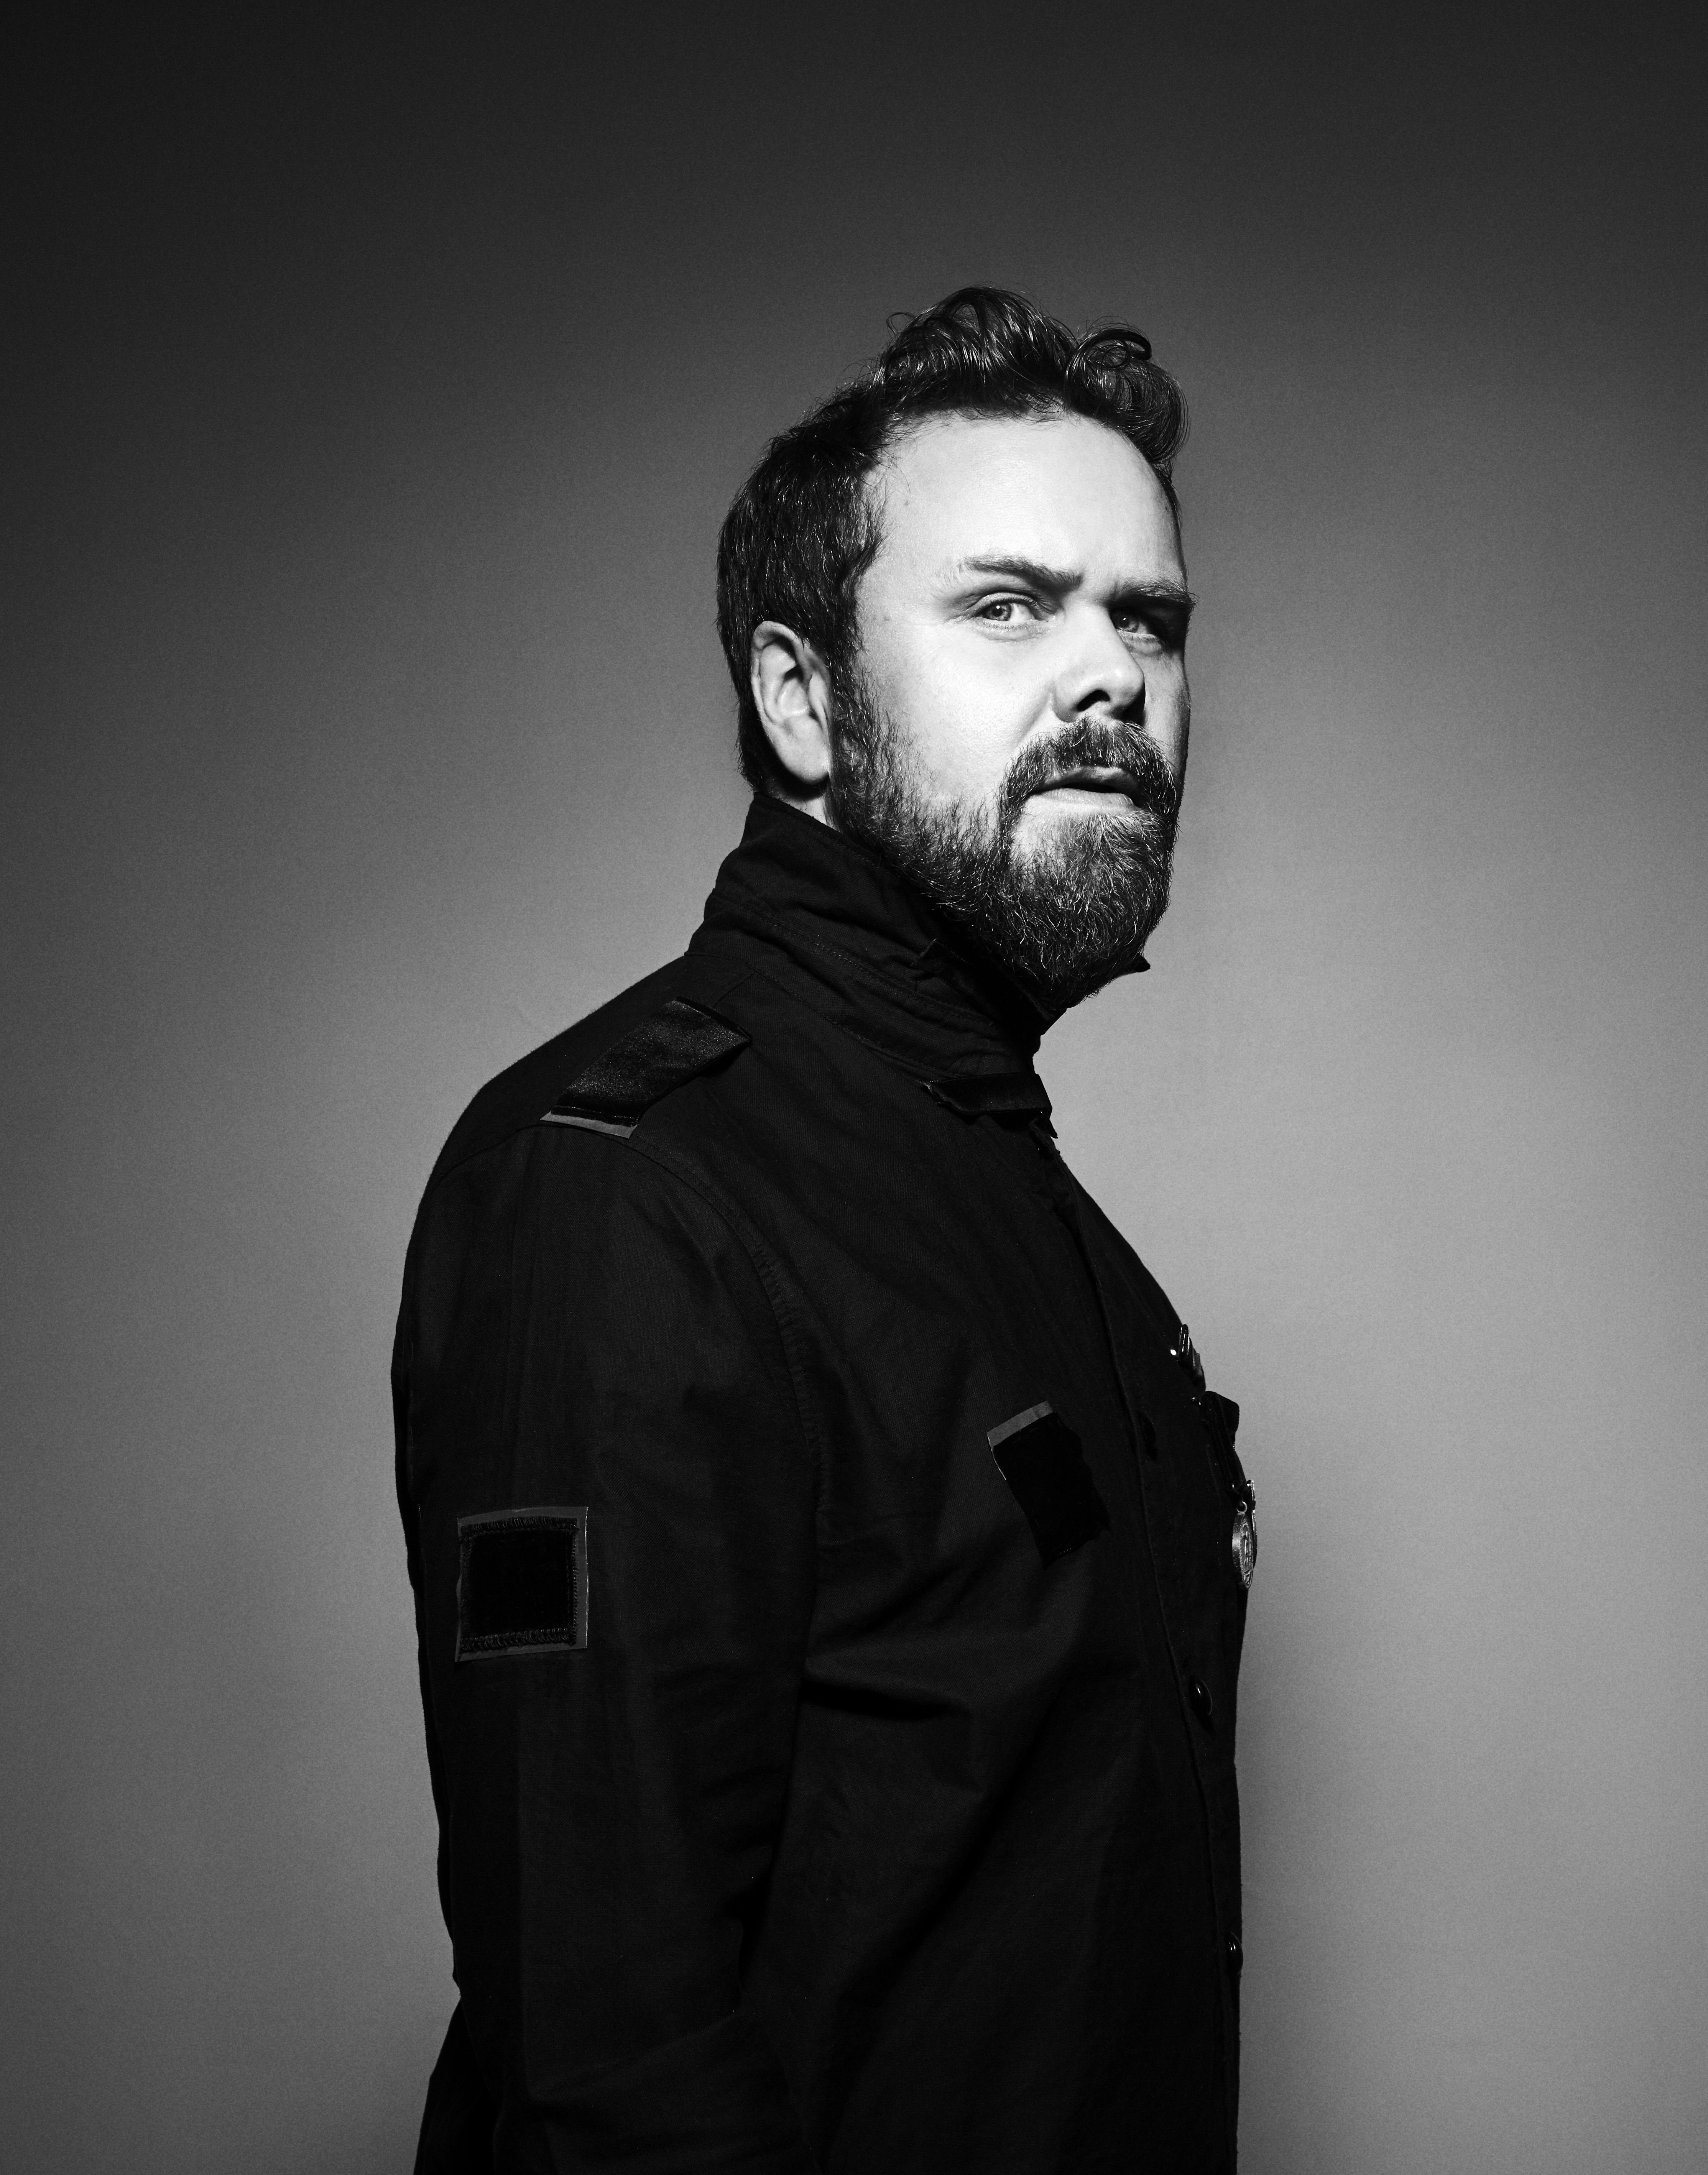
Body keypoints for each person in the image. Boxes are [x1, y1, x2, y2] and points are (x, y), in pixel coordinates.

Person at [393, 287, 1254, 2171]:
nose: (1110, 677)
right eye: (1008, 606)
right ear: (801, 701)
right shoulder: (627, 1185)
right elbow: (608, 2060)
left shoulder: (1029, 1215)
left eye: (1148, 620)